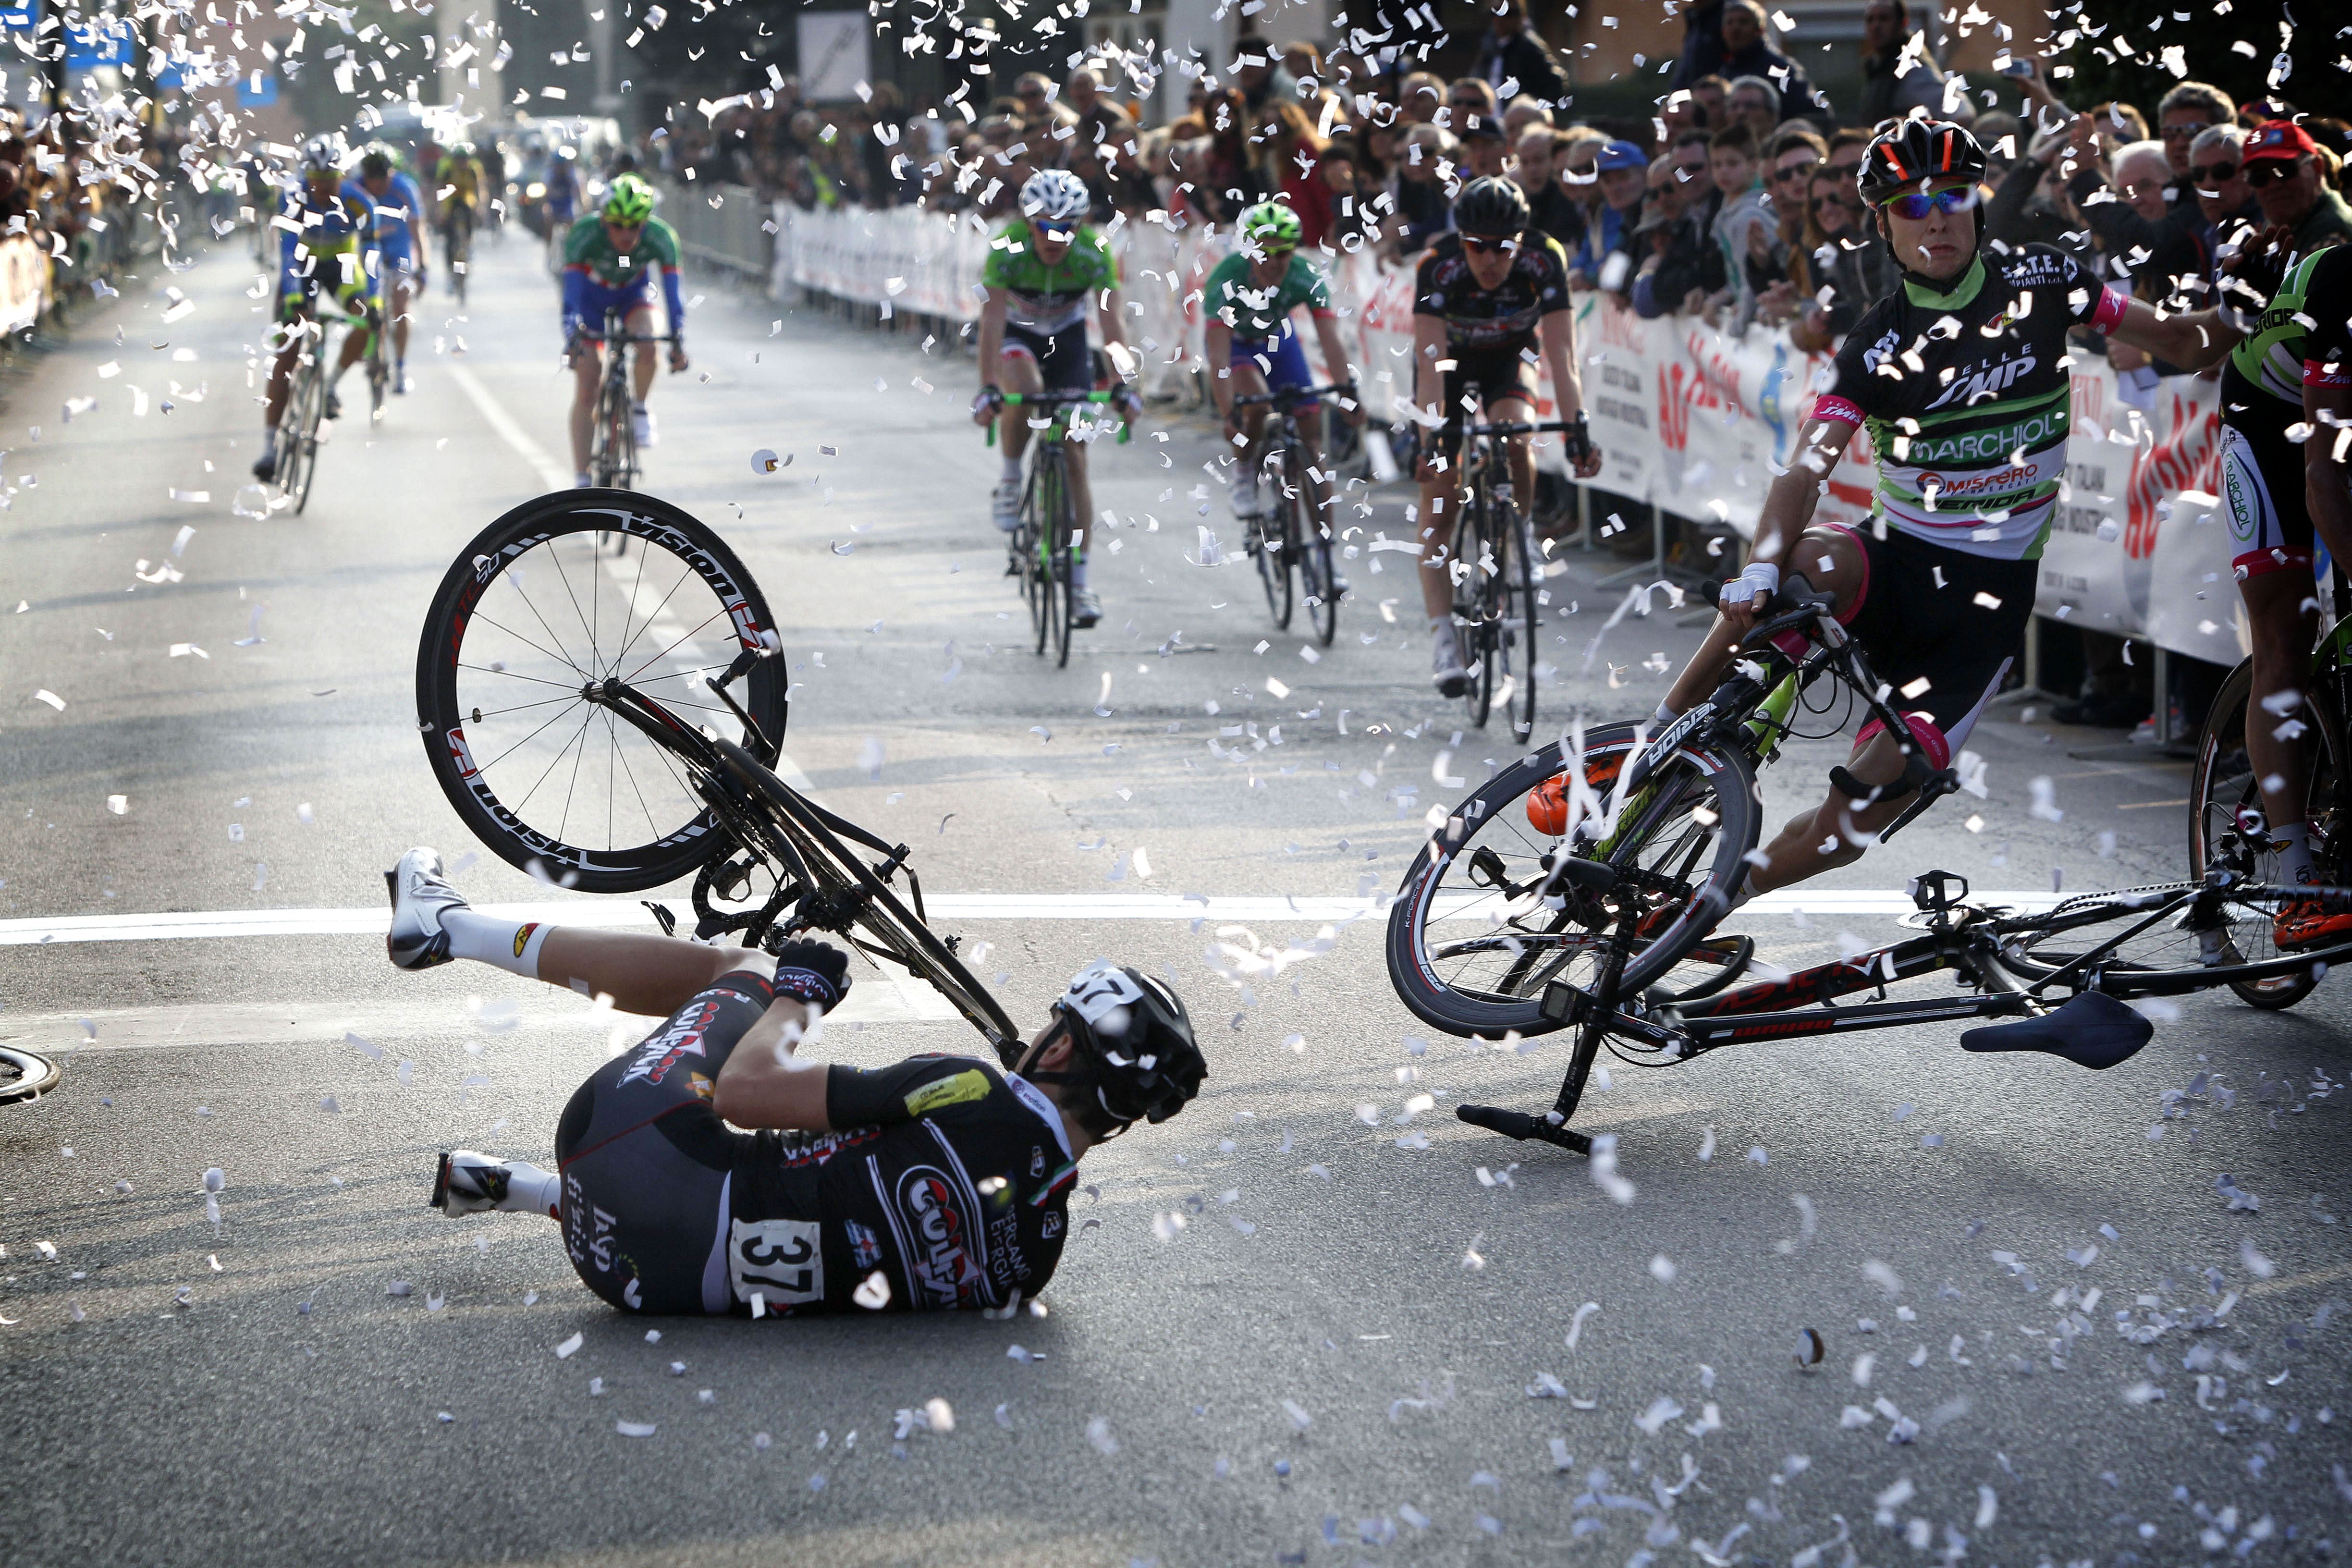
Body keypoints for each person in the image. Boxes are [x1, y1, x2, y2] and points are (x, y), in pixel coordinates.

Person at [1633, 120, 2240, 908]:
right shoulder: (1879, 339)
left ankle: (1698, 907)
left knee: (1852, 827)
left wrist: (2254, 309)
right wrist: (1754, 566)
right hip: (1898, 561)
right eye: (1910, 203)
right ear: (1883, 224)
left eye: (1953, 196)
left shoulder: (2046, 281)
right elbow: (1807, 467)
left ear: (1979, 206)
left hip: (1980, 616)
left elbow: (2181, 341)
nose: (1936, 216)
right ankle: (1660, 734)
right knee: (1793, 565)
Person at [385, 848, 1206, 1316]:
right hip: (638, 1275)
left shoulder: (969, 1088)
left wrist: (800, 994)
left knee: (743, 968)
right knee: (793, 1207)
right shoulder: (1034, 1256)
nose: (1041, 1035)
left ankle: (444, 927)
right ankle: (515, 1187)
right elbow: (826, 1228)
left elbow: (743, 1091)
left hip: (621, 1149)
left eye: (1055, 1025)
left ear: (1060, 1053)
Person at [1410, 176, 1604, 695]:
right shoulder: (1438, 265)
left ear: (1520, 241)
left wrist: (1577, 427)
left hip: (1510, 358)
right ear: (1463, 241)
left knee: (1515, 437)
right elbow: (1429, 364)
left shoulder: (1546, 258)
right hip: (1448, 367)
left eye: (1502, 247)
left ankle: (1515, 542)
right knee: (1440, 498)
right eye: (1477, 246)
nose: (1490, 259)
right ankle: (1443, 638)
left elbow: (1561, 353)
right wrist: (1432, 438)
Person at [2215, 240, 2352, 946]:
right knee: (2285, 632)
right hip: (2270, 427)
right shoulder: (2343, 287)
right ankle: (2296, 874)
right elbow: (2323, 477)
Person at [971, 169, 1139, 630]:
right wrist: (988, 385)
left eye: (1066, 227)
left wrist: (1124, 382)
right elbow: (991, 321)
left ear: (1081, 225)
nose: (1055, 236)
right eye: (1044, 225)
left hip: (1066, 343)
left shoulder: (1093, 253)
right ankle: (1010, 477)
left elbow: (1112, 324)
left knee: (1076, 454)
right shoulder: (1007, 249)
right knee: (1024, 390)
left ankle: (1081, 582)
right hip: (1017, 337)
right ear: (1028, 223)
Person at [1203, 200, 1365, 523]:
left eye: (1283, 253)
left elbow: (1331, 341)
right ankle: (1245, 473)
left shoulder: (1305, 276)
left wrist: (1348, 392)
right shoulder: (1227, 278)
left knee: (1312, 444)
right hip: (1238, 346)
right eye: (1264, 253)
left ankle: (1324, 560)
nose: (1274, 263)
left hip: (1280, 343)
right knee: (1258, 407)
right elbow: (1219, 356)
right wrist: (1228, 413)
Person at [251, 137, 381, 481]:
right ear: (305, 176)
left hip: (341, 267)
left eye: (330, 181)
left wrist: (376, 300)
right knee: (288, 348)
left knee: (367, 321)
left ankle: (330, 386)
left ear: (343, 176)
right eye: (316, 181)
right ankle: (269, 448)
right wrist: (294, 301)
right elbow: (289, 255)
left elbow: (371, 259)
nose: (323, 188)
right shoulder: (293, 198)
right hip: (303, 269)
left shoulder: (360, 203)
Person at [560, 173, 689, 486]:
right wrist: (572, 333)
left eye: (636, 225)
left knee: (648, 345)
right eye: (618, 224)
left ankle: (641, 408)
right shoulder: (584, 233)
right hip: (591, 298)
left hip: (633, 294)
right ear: (604, 220)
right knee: (589, 384)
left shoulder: (662, 236)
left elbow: (673, 294)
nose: (627, 233)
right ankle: (581, 478)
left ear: (647, 221)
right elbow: (571, 294)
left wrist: (678, 340)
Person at [347, 144, 426, 395]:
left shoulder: (404, 188)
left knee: (401, 307)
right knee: (374, 308)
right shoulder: (356, 188)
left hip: (399, 250)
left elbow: (417, 229)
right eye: (374, 181)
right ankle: (374, 350)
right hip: (370, 250)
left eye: (384, 180)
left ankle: (401, 367)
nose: (379, 186)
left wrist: (423, 264)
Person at [2240, 120, 2352, 249]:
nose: (2273, 186)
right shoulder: (2281, 224)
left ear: (2317, 168)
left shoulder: (2332, 233)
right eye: (2259, 177)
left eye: (2285, 170)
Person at [1567, 139, 1647, 289]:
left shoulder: (1649, 212)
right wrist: (1577, 272)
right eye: (1608, 181)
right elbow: (1588, 256)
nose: (1615, 188)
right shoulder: (1601, 211)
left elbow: (1612, 265)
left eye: (1623, 177)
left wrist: (1587, 275)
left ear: (1644, 174)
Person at [1855, 0, 1946, 125]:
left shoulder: (1913, 67)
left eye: (1884, 18)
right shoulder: (1878, 66)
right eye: (1870, 20)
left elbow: (1961, 114)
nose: (1876, 26)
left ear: (1903, 23)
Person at [1471, 0, 1566, 108]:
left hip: (1517, 118)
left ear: (1520, 16)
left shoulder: (1529, 48)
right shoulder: (1489, 47)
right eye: (1495, 13)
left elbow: (1556, 81)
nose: (1500, 19)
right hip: (1491, 117)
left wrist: (1539, 112)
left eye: (1508, 13)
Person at [434, 138, 487, 289]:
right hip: (450, 200)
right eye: (459, 160)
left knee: (470, 216)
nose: (462, 163)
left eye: (464, 160)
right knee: (449, 237)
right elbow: (440, 190)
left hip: (466, 198)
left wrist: (481, 207)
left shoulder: (473, 169)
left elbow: (480, 189)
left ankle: (468, 246)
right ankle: (449, 272)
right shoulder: (448, 170)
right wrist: (439, 211)